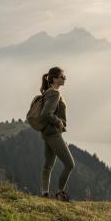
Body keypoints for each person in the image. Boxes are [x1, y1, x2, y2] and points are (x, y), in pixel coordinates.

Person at [39, 66, 75, 202]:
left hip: (46, 133)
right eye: (62, 77)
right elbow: (46, 113)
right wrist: (59, 122)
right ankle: (60, 192)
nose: (65, 78)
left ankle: (45, 193)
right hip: (53, 133)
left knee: (48, 164)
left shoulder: (47, 92)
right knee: (70, 164)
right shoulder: (55, 93)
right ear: (54, 79)